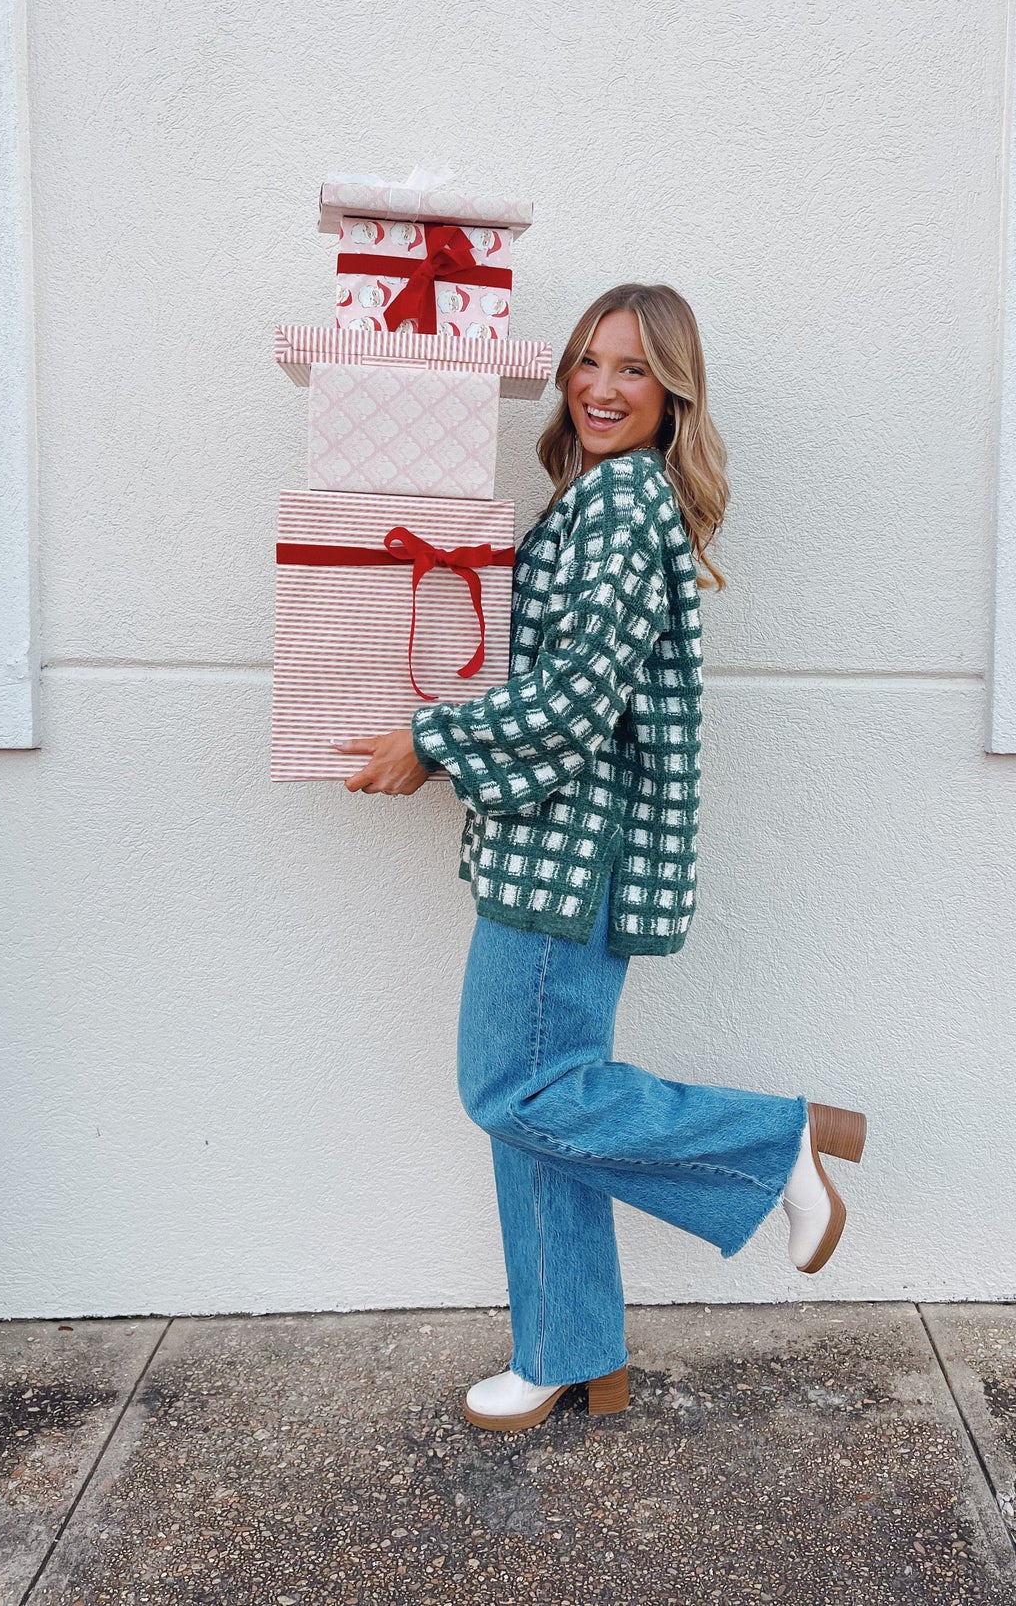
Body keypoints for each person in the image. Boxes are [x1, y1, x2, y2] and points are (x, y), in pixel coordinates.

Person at [336, 283, 867, 1434]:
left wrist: (430, 743)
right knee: (543, 1107)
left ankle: (775, 1144)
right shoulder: (596, 497)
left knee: (512, 1090)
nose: (599, 386)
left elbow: (576, 699)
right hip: (554, 849)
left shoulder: (622, 502)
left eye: (631, 368)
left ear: (672, 393)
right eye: (586, 361)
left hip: (564, 858)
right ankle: (569, 1352)